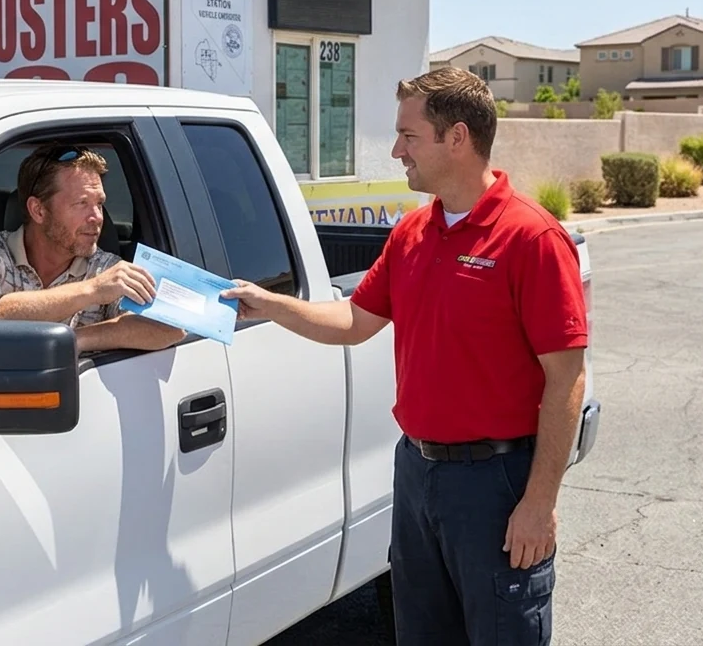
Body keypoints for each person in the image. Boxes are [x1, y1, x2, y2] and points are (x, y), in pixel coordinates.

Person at [222, 66, 587, 646]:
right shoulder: (411, 232)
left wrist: (539, 504)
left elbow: (566, 380)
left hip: (495, 483)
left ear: (458, 138)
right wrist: (268, 305)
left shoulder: (532, 239)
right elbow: (353, 321)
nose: (396, 151)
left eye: (409, 136)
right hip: (417, 471)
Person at [0, 143, 186, 355]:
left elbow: (170, 328)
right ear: (38, 210)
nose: (97, 217)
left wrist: (74, 340)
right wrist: (91, 290)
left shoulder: (106, 268)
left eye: (99, 204)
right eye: (81, 203)